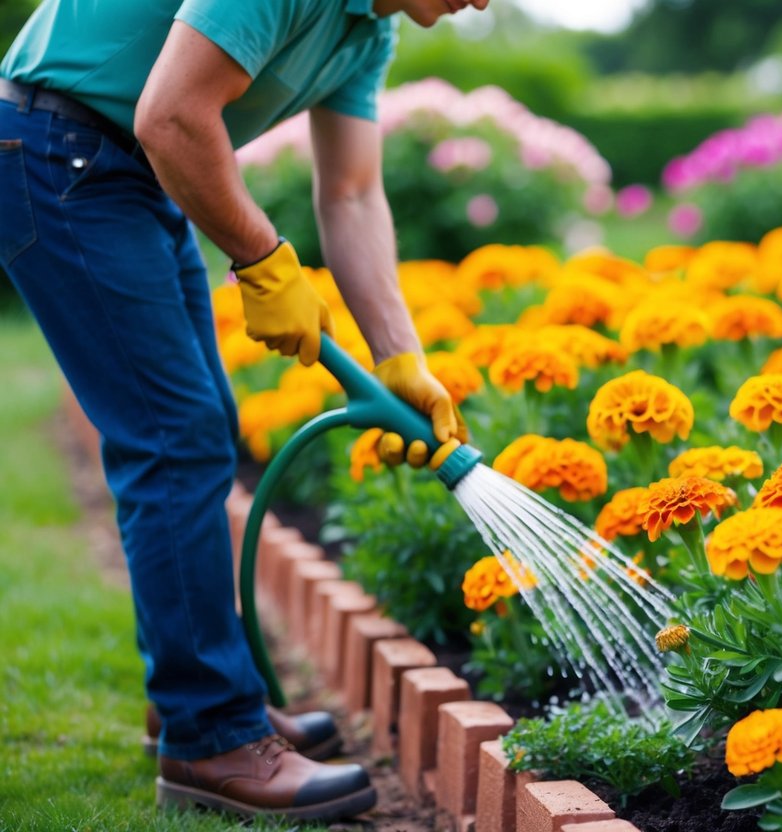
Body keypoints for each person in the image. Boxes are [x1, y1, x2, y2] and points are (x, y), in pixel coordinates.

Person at [0, 0, 487, 821]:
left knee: (197, 432)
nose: (483, 2)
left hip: (129, 167)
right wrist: (262, 259)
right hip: (61, 151)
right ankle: (211, 739)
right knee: (171, 438)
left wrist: (399, 356)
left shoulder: (369, 27)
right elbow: (172, 114)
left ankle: (193, 697)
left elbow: (355, 192)